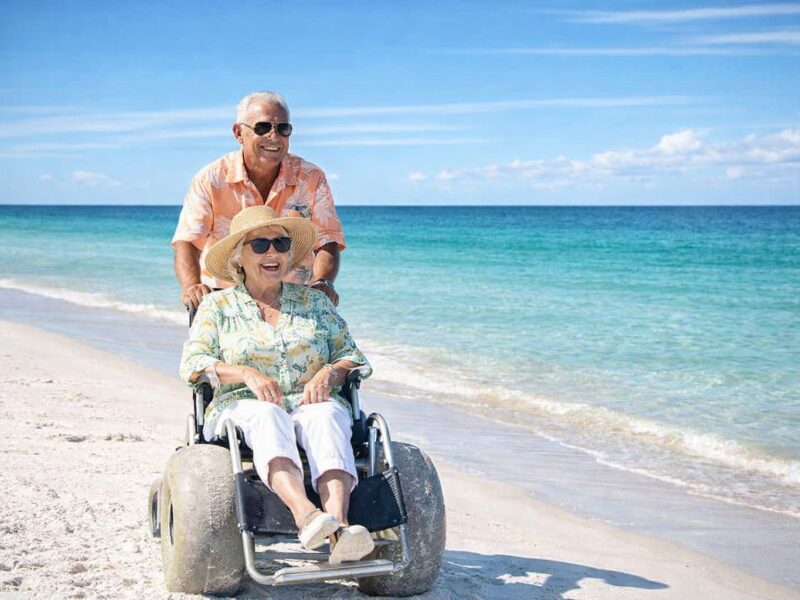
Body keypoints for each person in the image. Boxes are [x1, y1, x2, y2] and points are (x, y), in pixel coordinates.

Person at [179, 205, 374, 564]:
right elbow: (193, 364)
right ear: (238, 256)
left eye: (281, 244)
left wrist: (330, 373)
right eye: (260, 245)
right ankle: (307, 516)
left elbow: (353, 356)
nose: (272, 252)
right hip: (241, 405)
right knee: (267, 415)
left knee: (326, 415)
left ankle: (340, 529)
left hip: (309, 401)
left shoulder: (315, 302)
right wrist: (245, 373)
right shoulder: (217, 307)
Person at [172, 91, 344, 309]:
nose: (274, 137)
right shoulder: (211, 179)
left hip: (295, 303)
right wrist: (192, 286)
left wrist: (324, 282)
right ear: (238, 133)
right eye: (263, 128)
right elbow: (188, 240)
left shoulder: (311, 177)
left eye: (283, 129)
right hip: (227, 303)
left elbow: (327, 239)